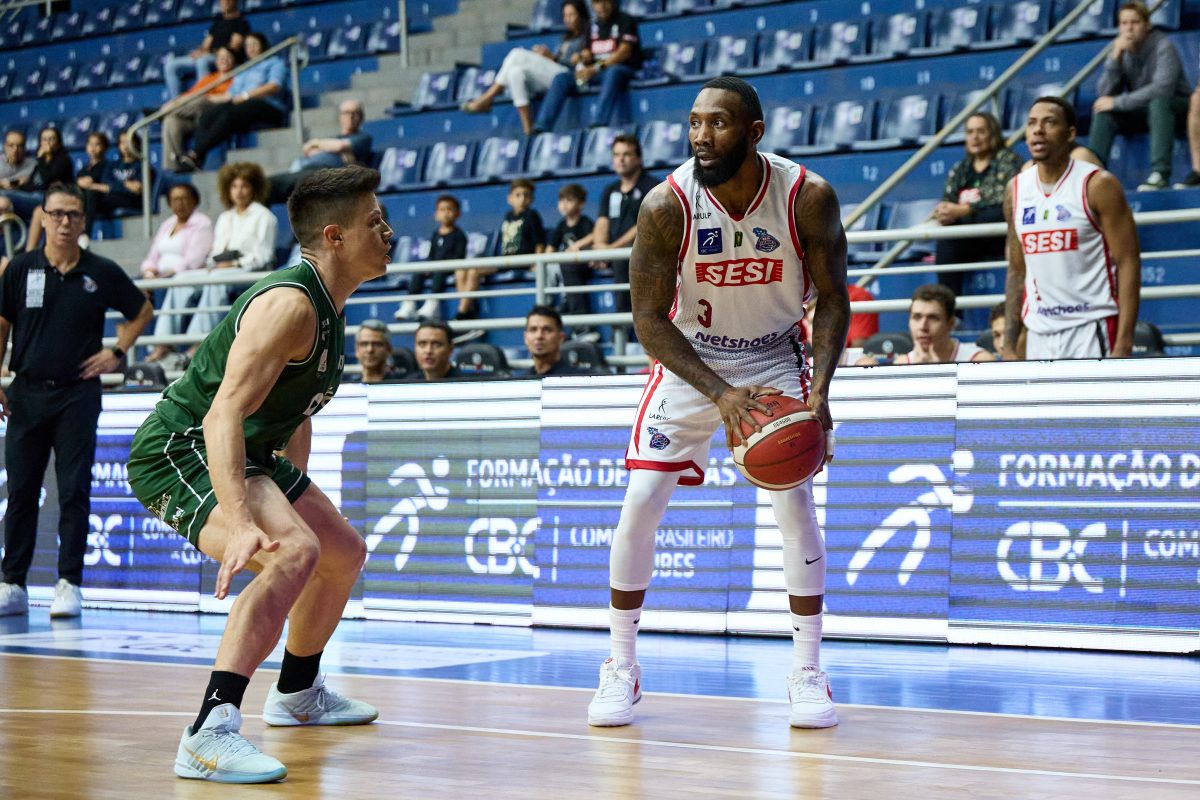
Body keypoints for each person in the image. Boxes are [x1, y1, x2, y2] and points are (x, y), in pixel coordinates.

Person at [585, 77, 850, 730]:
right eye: (695, 123)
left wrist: (819, 395)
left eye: (719, 123)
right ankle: (621, 665)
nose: (702, 136)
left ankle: (808, 671)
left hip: (773, 357)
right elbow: (648, 320)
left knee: (795, 503)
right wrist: (719, 393)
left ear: (754, 133)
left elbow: (833, 297)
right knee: (641, 502)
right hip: (693, 360)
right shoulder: (666, 205)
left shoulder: (806, 196)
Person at [125, 166, 390, 783]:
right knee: (292, 553)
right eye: (374, 222)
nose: (388, 232)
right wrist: (244, 522)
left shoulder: (329, 305)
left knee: (342, 552)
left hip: (251, 451)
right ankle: (208, 734)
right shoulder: (289, 306)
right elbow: (222, 413)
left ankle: (297, 693)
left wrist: (294, 490)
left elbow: (296, 410)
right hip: (182, 448)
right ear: (335, 237)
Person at [0, 183, 154, 618]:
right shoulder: (20, 268)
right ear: (43, 217)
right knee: (22, 491)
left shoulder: (100, 270)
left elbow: (142, 310)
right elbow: (2, 323)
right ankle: (12, 584)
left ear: (83, 220)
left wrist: (117, 352)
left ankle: (69, 583)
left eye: (73, 214)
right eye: (57, 214)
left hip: (78, 395)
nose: (64, 222)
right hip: (26, 391)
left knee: (74, 490)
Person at [1003, 96, 1141, 360]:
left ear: (1070, 134)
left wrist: (1124, 342)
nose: (1038, 130)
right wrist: (1009, 345)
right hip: (1039, 331)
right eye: (1031, 123)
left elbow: (1128, 262)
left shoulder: (1097, 185)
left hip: (1092, 325)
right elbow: (1017, 270)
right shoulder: (1015, 190)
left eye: (1049, 122)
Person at [1089, 1, 1189, 191]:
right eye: (1124, 23)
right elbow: (1104, 94)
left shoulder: (1163, 45)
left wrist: (1117, 102)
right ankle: (1091, 176)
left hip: (1178, 108)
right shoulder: (1121, 50)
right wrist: (1115, 58)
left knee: (1159, 103)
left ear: (1147, 25)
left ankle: (1160, 174)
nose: (1129, 28)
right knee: (1104, 112)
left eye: (1134, 22)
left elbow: (1162, 89)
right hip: (1144, 109)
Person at [463, 0, 590, 135]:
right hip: (555, 76)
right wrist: (547, 56)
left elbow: (579, 64)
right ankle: (528, 129)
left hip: (569, 77)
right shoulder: (565, 38)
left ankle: (487, 98)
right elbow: (559, 59)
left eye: (572, 15)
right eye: (565, 15)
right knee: (515, 73)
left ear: (581, 15)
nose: (568, 19)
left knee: (516, 54)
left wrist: (553, 58)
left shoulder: (587, 36)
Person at [934, 111, 1021, 297]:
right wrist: (944, 211)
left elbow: (1004, 201)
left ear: (993, 134)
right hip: (969, 236)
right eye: (970, 132)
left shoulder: (1008, 161)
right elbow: (949, 199)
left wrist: (965, 210)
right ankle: (949, 306)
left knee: (998, 211)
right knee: (947, 238)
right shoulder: (961, 168)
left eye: (981, 131)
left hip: (999, 235)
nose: (975, 137)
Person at [187, 163, 278, 339]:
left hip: (250, 273)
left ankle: (196, 341)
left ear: (254, 189)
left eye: (244, 186)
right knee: (180, 280)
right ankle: (162, 344)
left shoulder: (264, 216)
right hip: (221, 269)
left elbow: (264, 257)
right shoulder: (224, 217)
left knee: (217, 280)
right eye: (234, 186)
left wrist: (234, 264)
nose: (239, 191)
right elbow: (216, 252)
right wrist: (212, 265)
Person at [178, 33, 289, 173]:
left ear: (263, 45)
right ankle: (198, 159)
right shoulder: (244, 68)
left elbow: (274, 86)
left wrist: (246, 95)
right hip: (242, 106)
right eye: (248, 45)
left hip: (268, 106)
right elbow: (230, 94)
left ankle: (195, 153)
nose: (251, 48)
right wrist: (208, 98)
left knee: (230, 113)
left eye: (254, 44)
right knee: (208, 114)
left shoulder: (274, 63)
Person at [534, 0, 643, 132]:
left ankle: (598, 123)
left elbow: (624, 52)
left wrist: (595, 68)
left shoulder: (625, 20)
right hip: (595, 72)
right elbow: (587, 52)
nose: (602, 6)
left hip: (622, 69)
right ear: (592, 5)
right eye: (597, 2)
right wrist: (582, 57)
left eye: (605, 2)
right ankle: (542, 126)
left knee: (613, 72)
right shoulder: (591, 25)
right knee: (561, 78)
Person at [142, 184, 216, 364]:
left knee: (174, 284)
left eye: (184, 199)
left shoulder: (202, 223)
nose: (179, 204)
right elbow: (153, 255)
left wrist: (166, 275)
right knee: (133, 288)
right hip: (159, 276)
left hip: (187, 275)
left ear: (194, 201)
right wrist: (149, 272)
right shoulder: (167, 224)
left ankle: (163, 345)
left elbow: (194, 259)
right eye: (175, 199)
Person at [587, 135, 657, 318]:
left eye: (626, 154)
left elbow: (643, 226)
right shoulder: (610, 189)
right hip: (611, 249)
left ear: (638, 158)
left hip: (639, 250)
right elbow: (602, 221)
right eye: (616, 155)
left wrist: (610, 250)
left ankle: (624, 324)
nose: (621, 159)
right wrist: (599, 247)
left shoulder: (654, 187)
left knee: (623, 258)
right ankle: (581, 323)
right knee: (571, 262)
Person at [858, 284, 995, 365]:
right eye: (916, 317)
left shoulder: (977, 361)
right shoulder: (902, 364)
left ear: (951, 323)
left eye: (933, 318)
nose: (923, 327)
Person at [267, 100, 373, 204]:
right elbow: (308, 151)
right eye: (346, 113)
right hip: (305, 170)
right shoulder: (333, 138)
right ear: (340, 117)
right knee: (266, 184)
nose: (350, 116)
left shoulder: (363, 138)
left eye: (355, 113)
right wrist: (336, 148)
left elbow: (339, 146)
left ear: (361, 117)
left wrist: (316, 142)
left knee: (282, 185)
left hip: (326, 175)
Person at [162, 45, 238, 172]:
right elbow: (191, 95)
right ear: (216, 61)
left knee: (202, 100)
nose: (224, 60)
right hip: (195, 115)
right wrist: (176, 102)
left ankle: (160, 112)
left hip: (215, 115)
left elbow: (231, 97)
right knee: (171, 121)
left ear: (234, 61)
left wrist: (209, 98)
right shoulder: (209, 78)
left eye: (228, 57)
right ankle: (176, 167)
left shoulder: (237, 78)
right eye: (221, 57)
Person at [397, 194, 467, 322]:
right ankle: (410, 302)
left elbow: (459, 256)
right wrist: (428, 267)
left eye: (450, 209)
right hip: (435, 266)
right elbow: (432, 254)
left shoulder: (459, 235)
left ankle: (433, 303)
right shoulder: (435, 234)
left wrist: (442, 264)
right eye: (442, 210)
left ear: (457, 214)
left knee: (438, 272)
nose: (446, 213)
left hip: (448, 268)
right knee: (419, 272)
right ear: (436, 214)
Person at [163, 0, 249, 98]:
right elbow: (206, 44)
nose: (224, 3)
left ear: (235, 2)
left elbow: (233, 47)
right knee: (171, 65)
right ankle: (177, 101)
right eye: (222, 1)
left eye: (228, 1)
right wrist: (200, 52)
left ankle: (202, 98)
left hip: (223, 57)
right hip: (209, 55)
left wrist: (212, 53)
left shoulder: (241, 23)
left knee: (202, 61)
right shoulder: (218, 22)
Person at [0, 127, 74, 222]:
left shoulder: (62, 160)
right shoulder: (39, 162)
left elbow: (46, 180)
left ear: (58, 142)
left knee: (3, 195)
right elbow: (29, 185)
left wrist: (40, 159)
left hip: (45, 198)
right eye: (44, 139)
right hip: (29, 195)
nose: (47, 142)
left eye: (51, 139)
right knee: (3, 202)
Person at [549, 183, 596, 334]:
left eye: (569, 200)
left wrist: (578, 245)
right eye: (561, 200)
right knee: (548, 267)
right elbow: (551, 246)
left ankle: (582, 325)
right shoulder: (561, 225)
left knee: (566, 265)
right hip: (565, 265)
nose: (564, 204)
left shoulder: (585, 221)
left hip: (581, 264)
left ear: (580, 204)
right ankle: (548, 303)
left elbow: (594, 235)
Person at [522, 304, 591, 377]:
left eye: (547, 330)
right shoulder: (520, 381)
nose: (539, 336)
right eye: (533, 330)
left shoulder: (579, 379)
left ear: (560, 338)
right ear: (525, 337)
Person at [354, 318, 395, 383]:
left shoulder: (401, 386)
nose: (370, 350)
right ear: (357, 350)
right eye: (364, 344)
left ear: (388, 349)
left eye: (377, 344)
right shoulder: (348, 387)